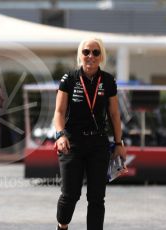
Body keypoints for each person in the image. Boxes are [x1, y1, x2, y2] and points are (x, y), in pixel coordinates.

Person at [53, 37, 126, 230]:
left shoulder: (108, 81)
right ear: (80, 55)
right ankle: (62, 226)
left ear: (101, 56)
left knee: (96, 198)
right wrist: (60, 135)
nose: (90, 56)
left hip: (98, 144)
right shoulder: (69, 79)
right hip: (72, 144)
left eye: (95, 52)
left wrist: (119, 144)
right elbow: (59, 113)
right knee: (70, 195)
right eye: (86, 52)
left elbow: (114, 114)